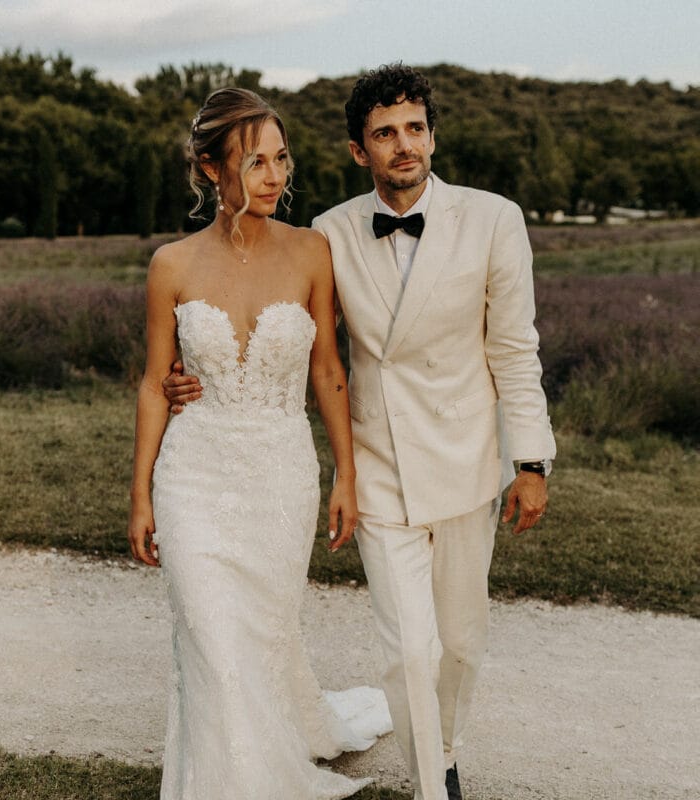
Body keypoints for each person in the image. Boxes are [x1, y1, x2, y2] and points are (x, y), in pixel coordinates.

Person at [165, 66, 557, 800]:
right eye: (384, 134)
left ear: (432, 137)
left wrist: (531, 460)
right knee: (408, 651)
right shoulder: (330, 234)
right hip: (377, 467)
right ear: (358, 150)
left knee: (460, 645)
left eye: (414, 129)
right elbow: (292, 333)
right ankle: (435, 784)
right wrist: (189, 373)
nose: (403, 145)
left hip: (467, 461)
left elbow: (514, 349)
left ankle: (445, 746)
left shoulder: (495, 219)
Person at [127, 87, 391, 800]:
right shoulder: (171, 265)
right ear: (211, 170)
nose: (275, 176)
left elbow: (328, 371)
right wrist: (140, 495)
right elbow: (155, 384)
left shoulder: (311, 252)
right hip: (194, 474)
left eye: (282, 159)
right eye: (255, 162)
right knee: (209, 631)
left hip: (280, 472)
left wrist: (345, 475)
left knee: (266, 632)